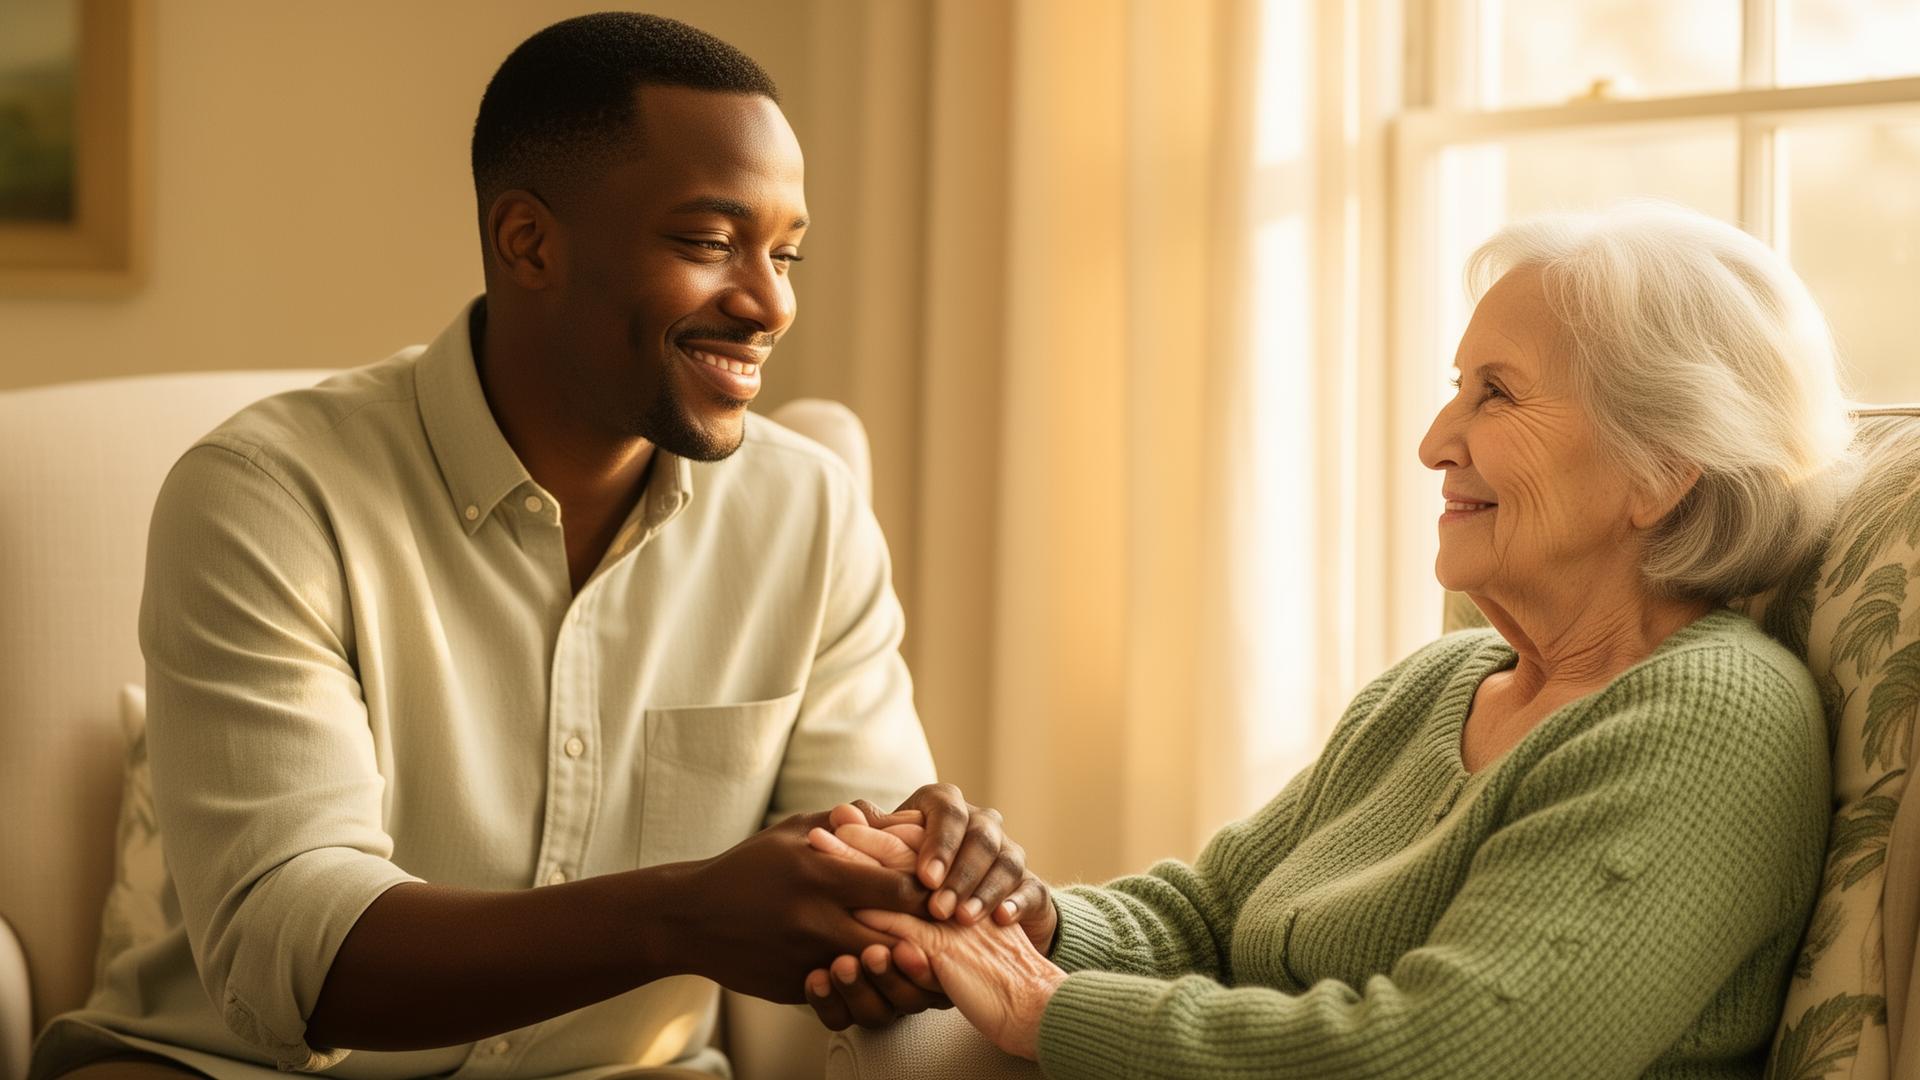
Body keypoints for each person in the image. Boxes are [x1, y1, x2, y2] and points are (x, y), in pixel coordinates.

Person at [28, 13, 1041, 1080]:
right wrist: (683, 915)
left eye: (784, 254)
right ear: (528, 242)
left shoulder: (810, 515)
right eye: (710, 243)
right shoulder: (267, 497)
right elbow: (295, 951)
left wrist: (925, 889)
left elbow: (860, 885)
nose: (769, 303)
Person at [805, 202, 1856, 1078]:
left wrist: (1047, 1011)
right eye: (1455, 387)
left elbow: (1452, 1054)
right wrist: (1017, 922)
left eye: (1495, 393)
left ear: (1660, 471)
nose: (1434, 442)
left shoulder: (1712, 719)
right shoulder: (1440, 684)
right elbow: (1209, 917)